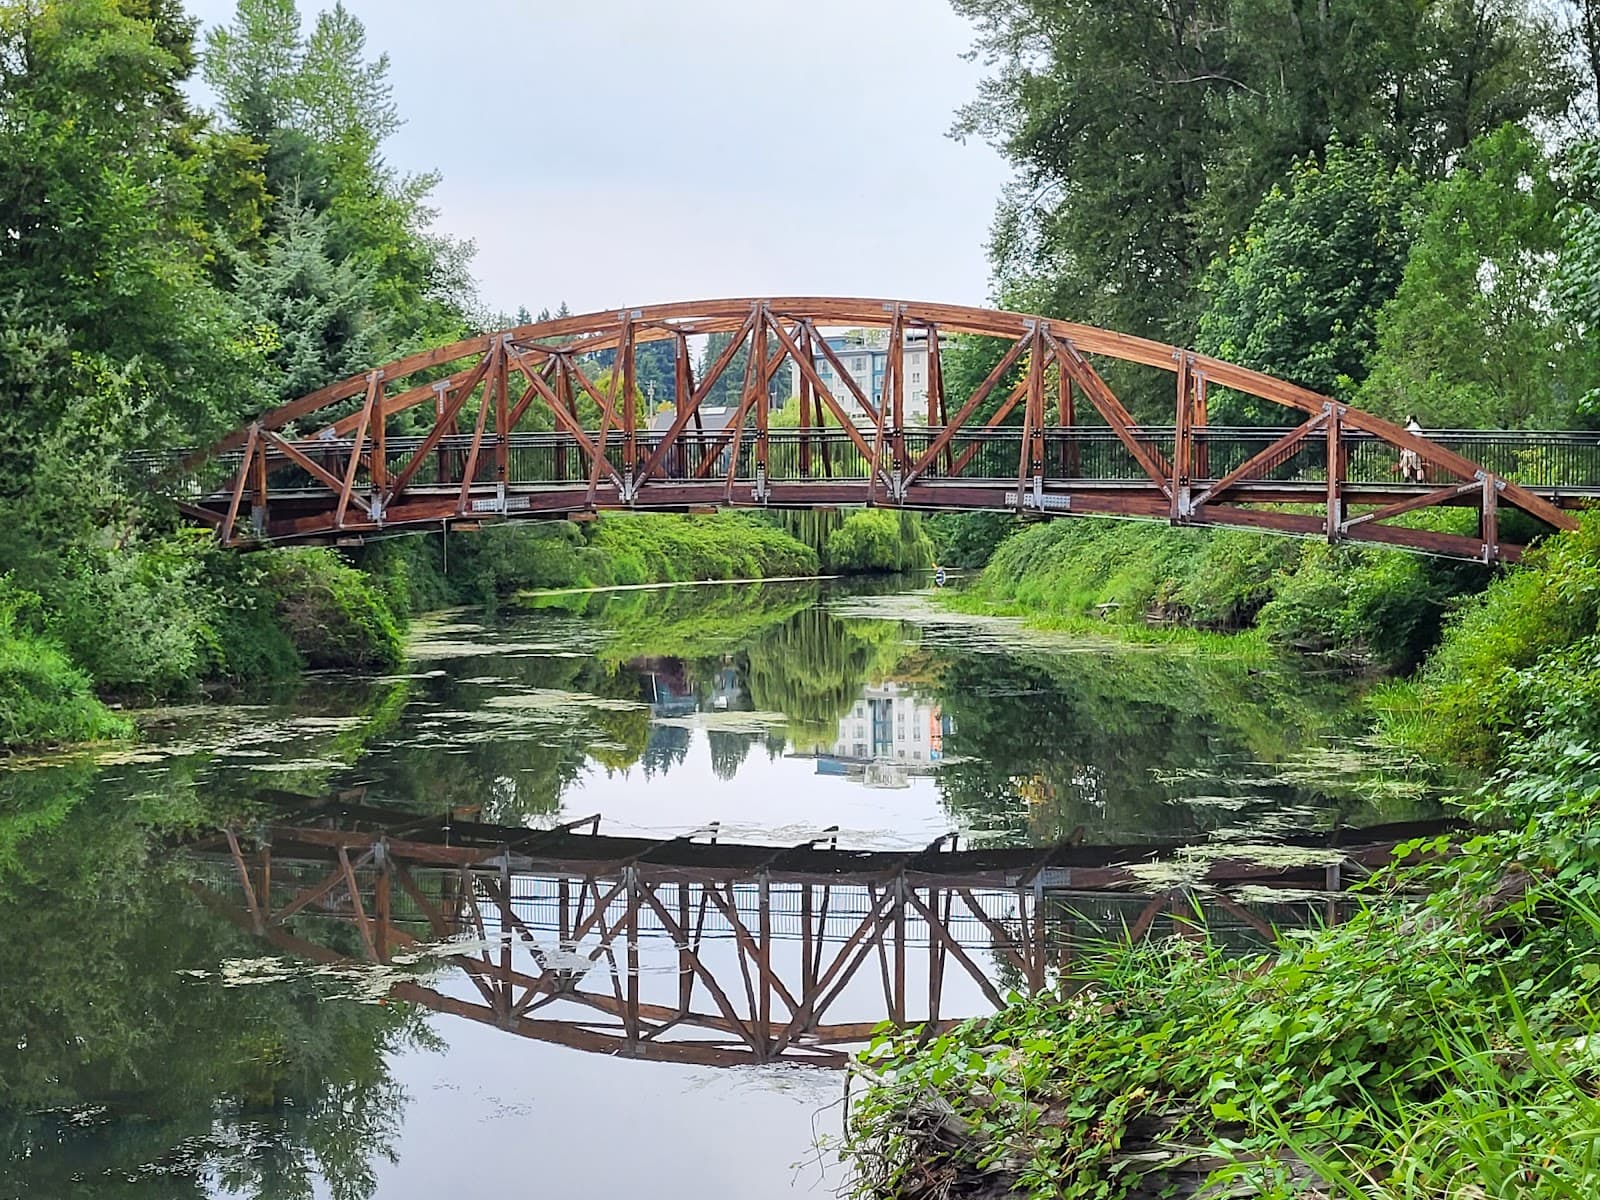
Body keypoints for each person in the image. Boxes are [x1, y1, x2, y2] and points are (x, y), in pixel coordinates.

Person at [1399, 415, 1426, 483]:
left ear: (1411, 419)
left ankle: (1406, 479)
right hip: (1414, 451)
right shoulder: (1417, 427)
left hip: (1409, 450)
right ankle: (1419, 481)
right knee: (1418, 467)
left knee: (1406, 465)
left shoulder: (1411, 428)